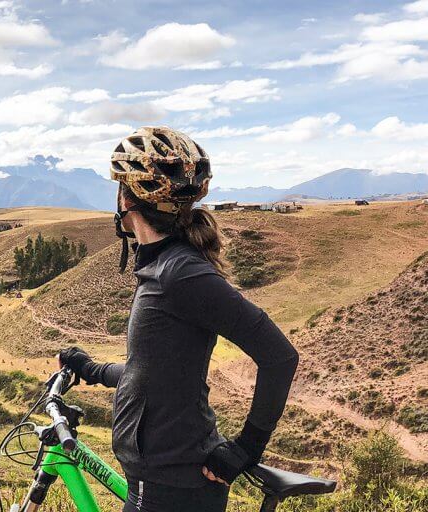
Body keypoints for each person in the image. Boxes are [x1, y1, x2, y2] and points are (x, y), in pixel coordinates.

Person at [58, 127, 299, 512]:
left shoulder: (181, 274)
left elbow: (280, 356)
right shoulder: (162, 268)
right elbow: (154, 373)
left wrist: (246, 449)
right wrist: (93, 369)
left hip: (175, 488)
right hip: (158, 481)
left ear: (127, 200)